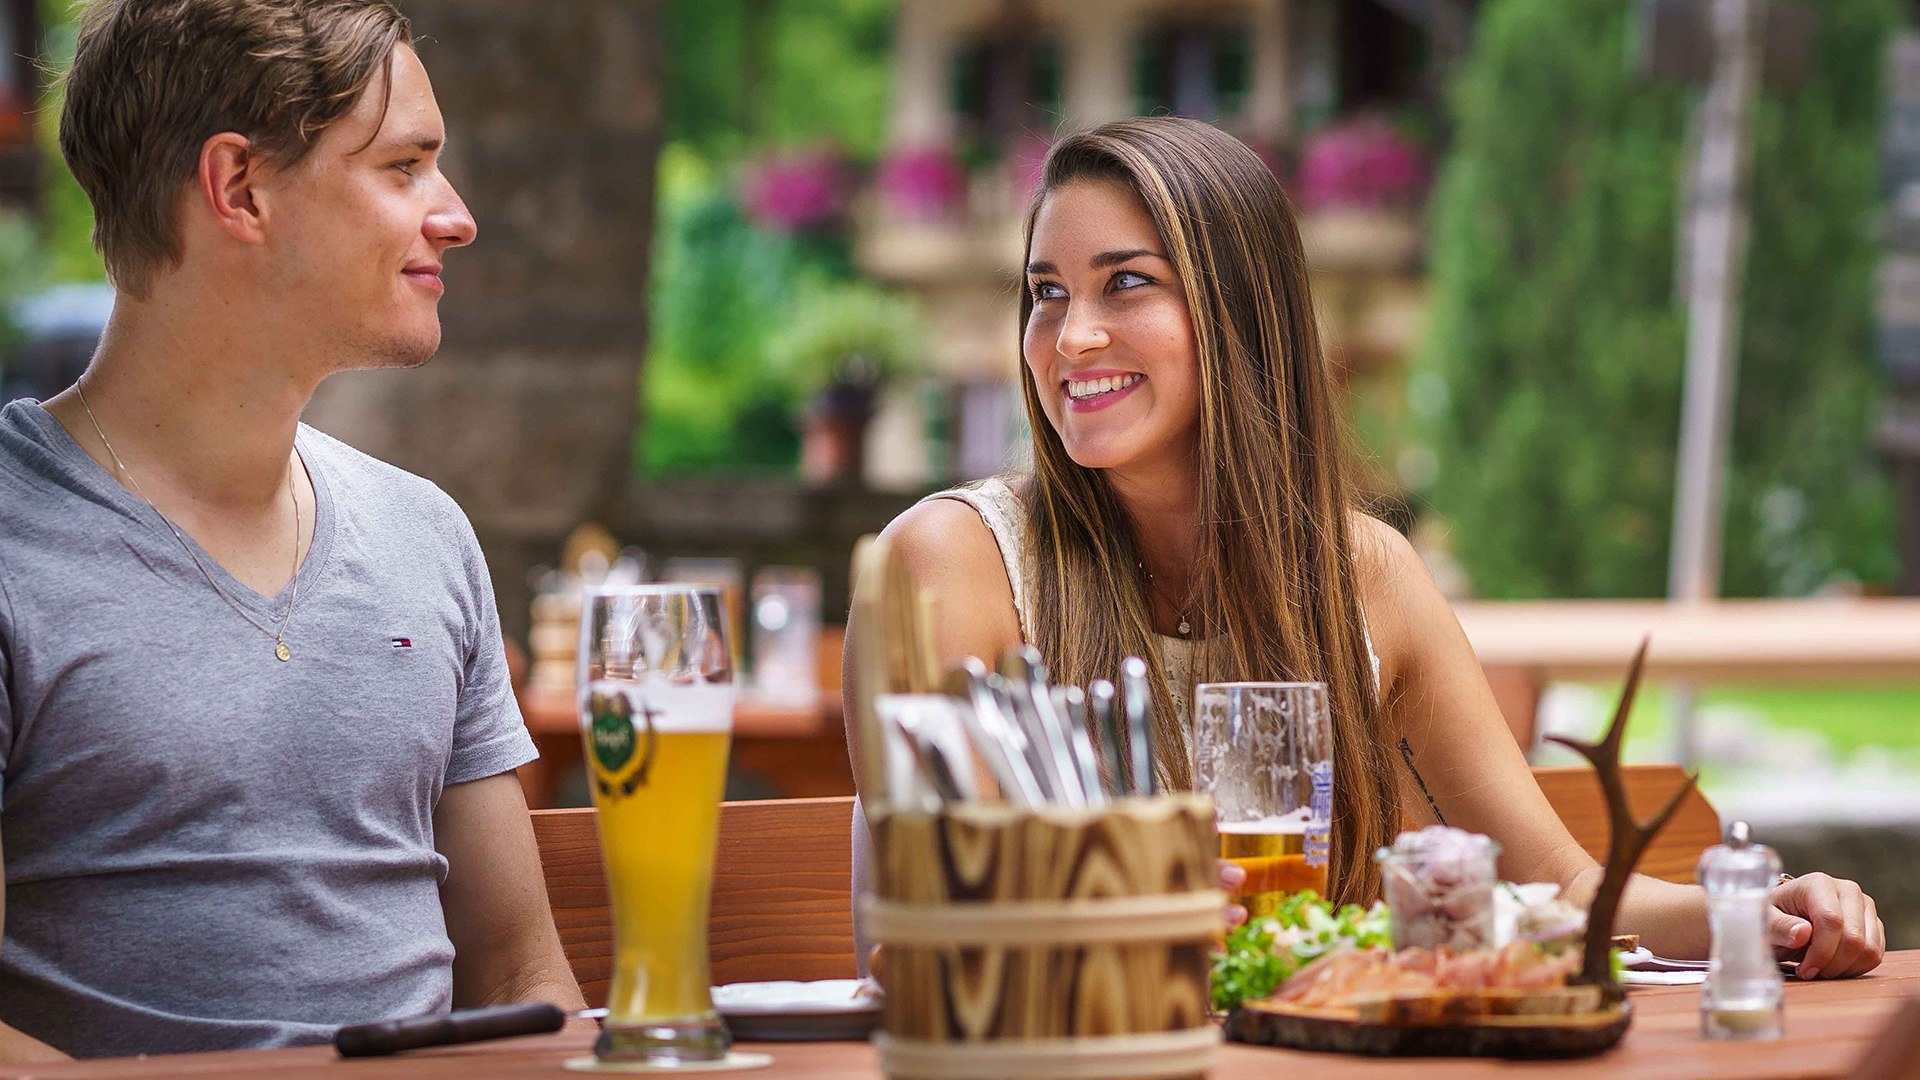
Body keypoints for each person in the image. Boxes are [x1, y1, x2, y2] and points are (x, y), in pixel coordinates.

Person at [846, 116, 1884, 981]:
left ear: (1240, 314)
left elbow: (1561, 888)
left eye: (1126, 284)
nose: (1071, 339)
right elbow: (922, 936)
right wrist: (1105, 917)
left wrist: (1758, 909)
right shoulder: (952, 564)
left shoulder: (1362, 577)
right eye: (1047, 292)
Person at [0, 0, 584, 1060]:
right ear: (241, 189)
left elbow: (520, 978)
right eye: (404, 167)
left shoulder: (427, 535)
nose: (454, 216)